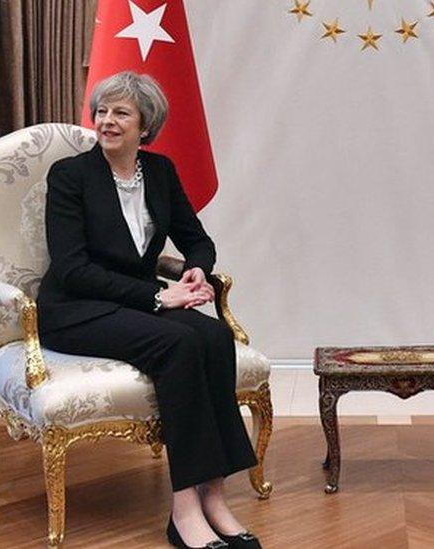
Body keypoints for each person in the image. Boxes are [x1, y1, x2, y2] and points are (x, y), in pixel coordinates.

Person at [37, 71, 261, 549]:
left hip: (131, 302)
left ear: (145, 125)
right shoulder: (70, 176)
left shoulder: (159, 173)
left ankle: (214, 495)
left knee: (214, 335)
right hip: (76, 310)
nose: (106, 121)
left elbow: (197, 239)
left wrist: (196, 271)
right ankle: (184, 509)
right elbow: (72, 269)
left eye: (121, 113)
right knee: (179, 341)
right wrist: (159, 297)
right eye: (102, 110)